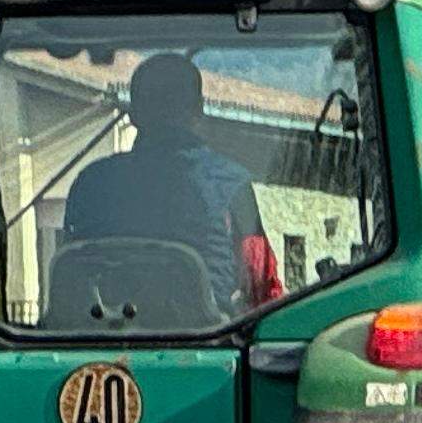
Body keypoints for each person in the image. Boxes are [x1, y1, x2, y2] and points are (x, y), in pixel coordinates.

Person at [63, 52, 274, 303]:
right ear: (199, 111)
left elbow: (71, 279)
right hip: (209, 339)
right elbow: (261, 283)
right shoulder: (232, 184)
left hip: (103, 334)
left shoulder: (90, 184)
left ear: (133, 115)